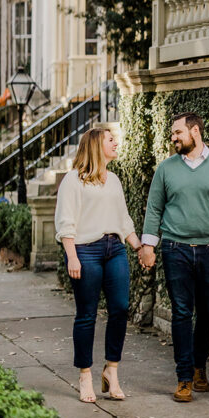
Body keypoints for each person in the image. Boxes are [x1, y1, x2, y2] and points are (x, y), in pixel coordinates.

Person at [138, 112, 209, 403]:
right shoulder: (166, 169)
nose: (173, 138)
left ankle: (199, 366)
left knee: (208, 312)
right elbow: (154, 209)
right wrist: (148, 246)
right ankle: (184, 377)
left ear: (195, 131)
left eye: (177, 132)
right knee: (182, 312)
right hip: (175, 249)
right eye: (172, 134)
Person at [54, 126, 141, 403]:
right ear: (95, 146)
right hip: (85, 250)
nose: (116, 143)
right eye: (110, 140)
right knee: (87, 314)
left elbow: (123, 218)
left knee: (120, 308)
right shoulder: (73, 180)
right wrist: (72, 255)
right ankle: (85, 375)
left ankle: (111, 370)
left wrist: (138, 246)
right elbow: (65, 221)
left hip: (114, 248)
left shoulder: (113, 180)